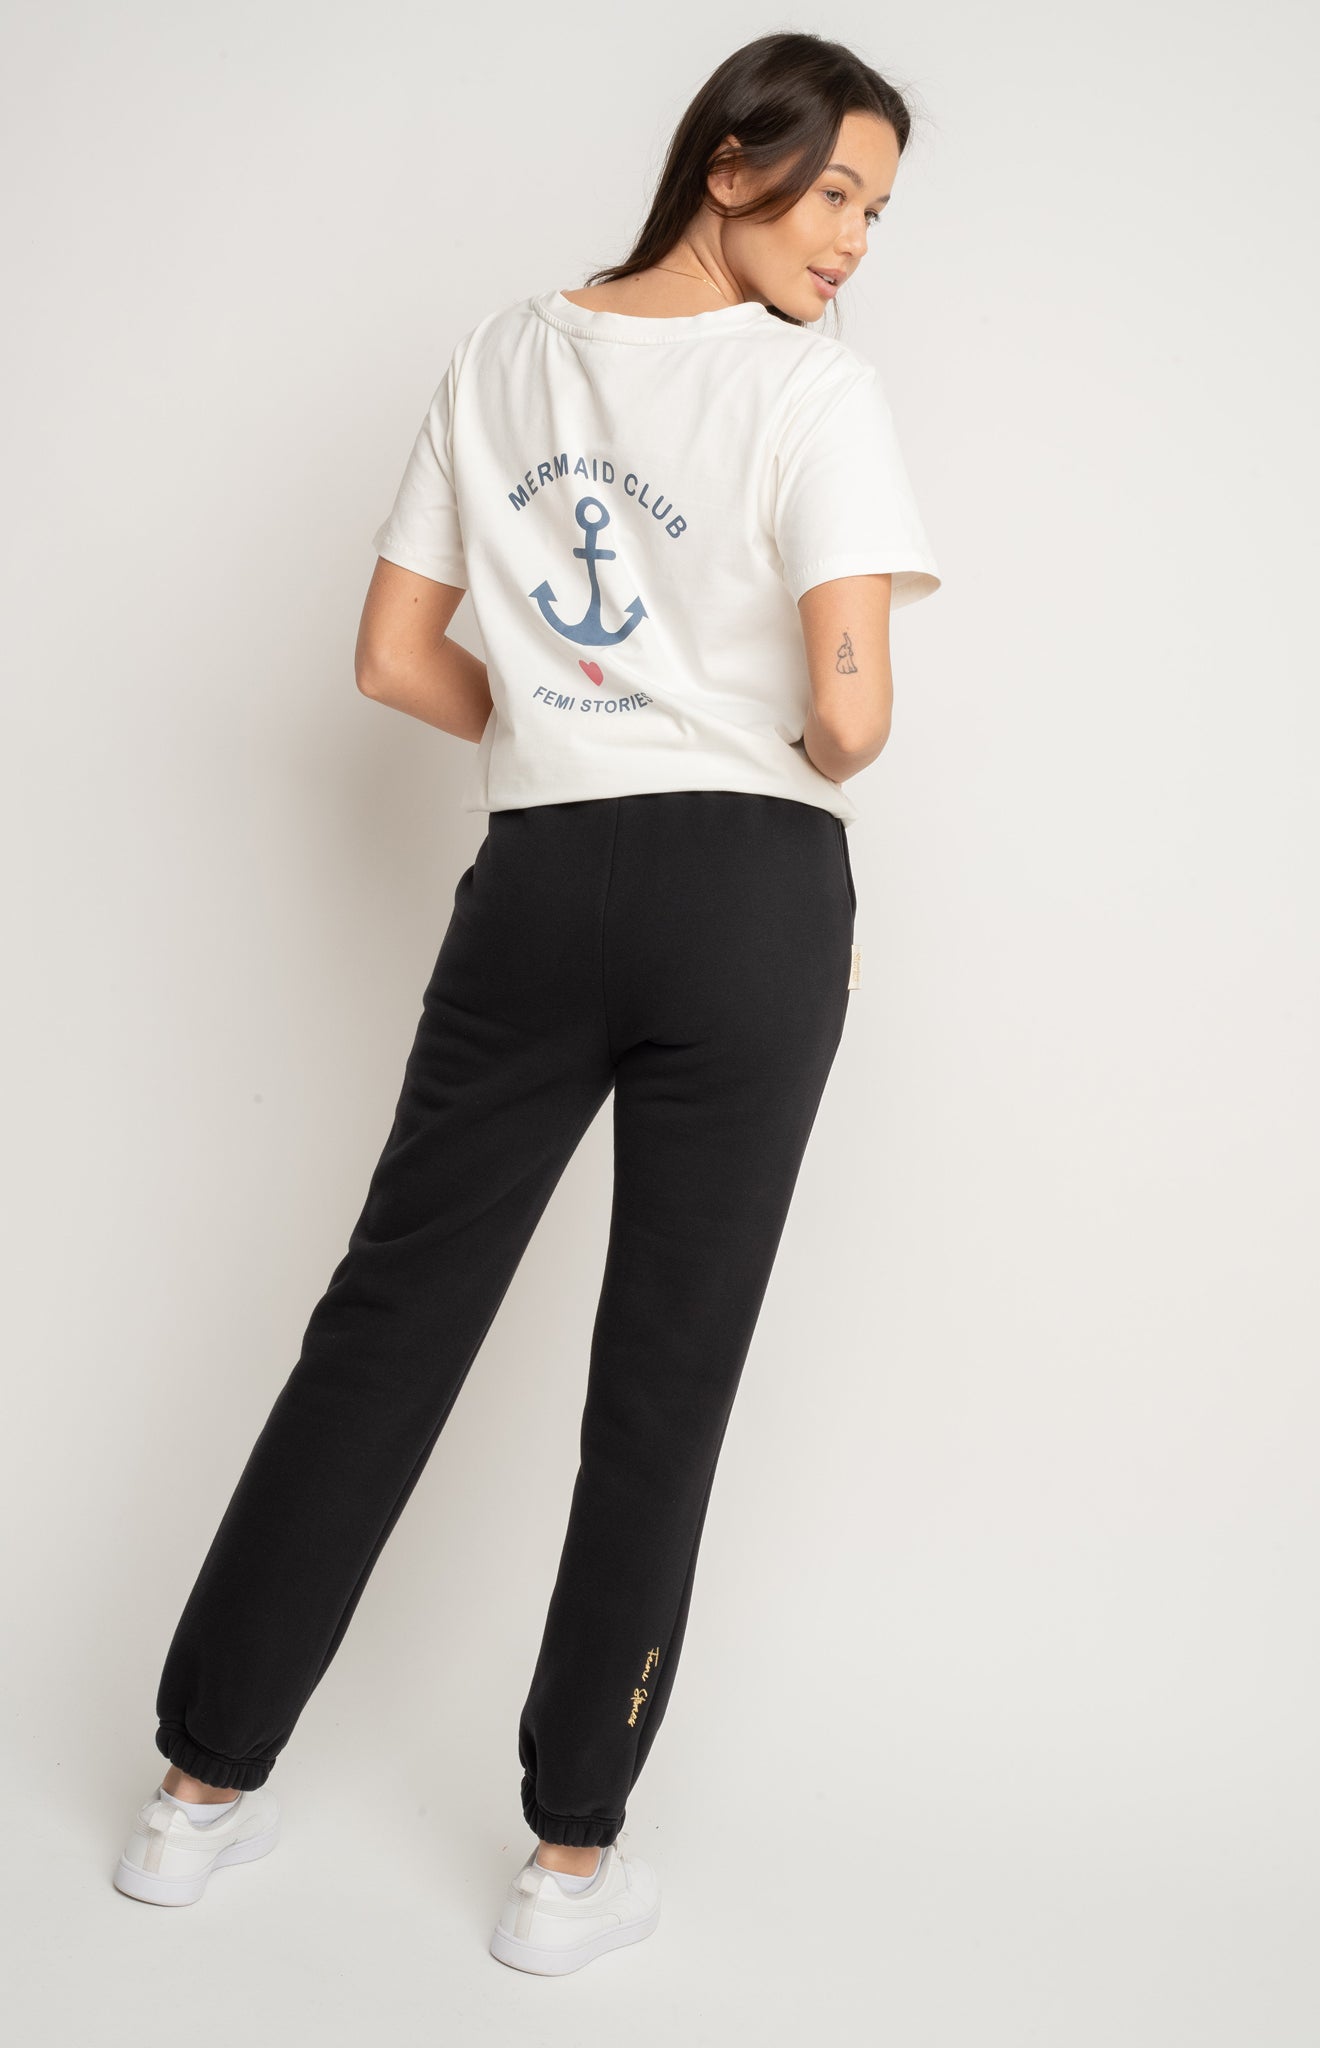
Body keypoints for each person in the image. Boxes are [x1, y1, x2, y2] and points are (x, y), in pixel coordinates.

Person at [113, 30, 942, 1974]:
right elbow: (850, 718)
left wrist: (573, 733)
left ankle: (194, 1792)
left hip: (537, 875)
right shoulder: (813, 393)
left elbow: (394, 655)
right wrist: (729, 732)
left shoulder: (499, 355)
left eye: (877, 212)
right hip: (747, 885)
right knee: (664, 1370)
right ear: (728, 162)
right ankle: (569, 1865)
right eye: (832, 191)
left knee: (384, 1320)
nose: (852, 242)